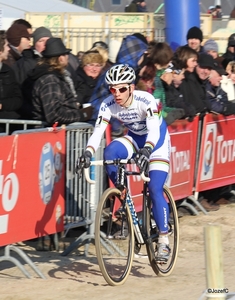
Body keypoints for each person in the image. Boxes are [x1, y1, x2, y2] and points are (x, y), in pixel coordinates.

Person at [76, 64, 171, 263]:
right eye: (112, 89)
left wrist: (147, 150)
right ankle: (123, 195)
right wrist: (87, 153)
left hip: (157, 141)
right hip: (135, 138)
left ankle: (163, 239)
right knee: (110, 152)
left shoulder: (147, 100)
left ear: (131, 87)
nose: (116, 94)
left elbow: (154, 130)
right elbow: (98, 132)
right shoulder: (108, 104)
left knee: (154, 188)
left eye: (121, 89)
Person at [27, 37, 93, 125]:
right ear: (61, 58)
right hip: (50, 135)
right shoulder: (50, 80)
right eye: (66, 54)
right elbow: (54, 115)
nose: (68, 57)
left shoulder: (54, 76)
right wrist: (82, 115)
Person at [0, 30, 23, 131]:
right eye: (6, 46)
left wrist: (2, 105)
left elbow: (18, 99)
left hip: (7, 128)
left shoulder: (8, 71)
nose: (9, 49)